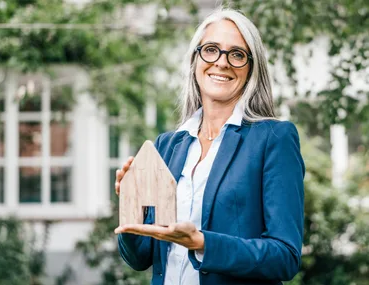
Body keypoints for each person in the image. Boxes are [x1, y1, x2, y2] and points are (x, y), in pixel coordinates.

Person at [114, 7, 305, 285]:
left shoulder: (273, 139)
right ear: (195, 60)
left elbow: (285, 256)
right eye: (211, 49)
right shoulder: (168, 146)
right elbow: (141, 258)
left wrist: (202, 243)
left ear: (252, 68)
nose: (222, 62)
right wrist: (130, 207)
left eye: (237, 54)